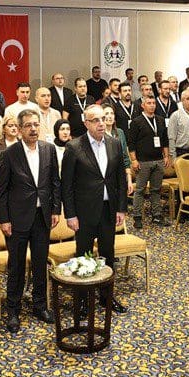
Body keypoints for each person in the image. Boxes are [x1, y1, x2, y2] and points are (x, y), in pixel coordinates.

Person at [0, 110, 60, 333]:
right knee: (16, 266)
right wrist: (4, 219)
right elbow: (1, 190)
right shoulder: (9, 154)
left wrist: (55, 209)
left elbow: (55, 182)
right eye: (28, 125)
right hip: (17, 219)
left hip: (43, 217)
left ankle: (40, 306)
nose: (33, 129)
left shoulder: (49, 149)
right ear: (20, 129)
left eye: (36, 124)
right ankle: (13, 311)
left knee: (40, 264)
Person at [61, 104, 128, 313]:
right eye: (95, 120)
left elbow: (120, 179)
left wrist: (121, 208)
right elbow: (66, 185)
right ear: (86, 123)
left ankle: (106, 297)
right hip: (84, 212)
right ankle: (82, 299)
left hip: (109, 209)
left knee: (108, 253)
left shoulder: (114, 143)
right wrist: (70, 214)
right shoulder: (74, 147)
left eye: (103, 119)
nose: (101, 123)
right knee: (84, 255)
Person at [128, 96, 171, 228]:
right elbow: (131, 143)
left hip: (158, 160)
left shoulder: (160, 120)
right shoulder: (136, 122)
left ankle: (157, 215)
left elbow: (164, 140)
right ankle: (137, 217)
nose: (152, 105)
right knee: (140, 190)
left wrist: (166, 156)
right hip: (143, 161)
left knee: (156, 190)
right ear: (143, 105)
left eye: (153, 103)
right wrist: (134, 160)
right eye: (149, 103)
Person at [167, 88, 189, 159]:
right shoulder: (176, 115)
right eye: (188, 99)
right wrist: (173, 157)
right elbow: (171, 138)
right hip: (182, 152)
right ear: (182, 101)